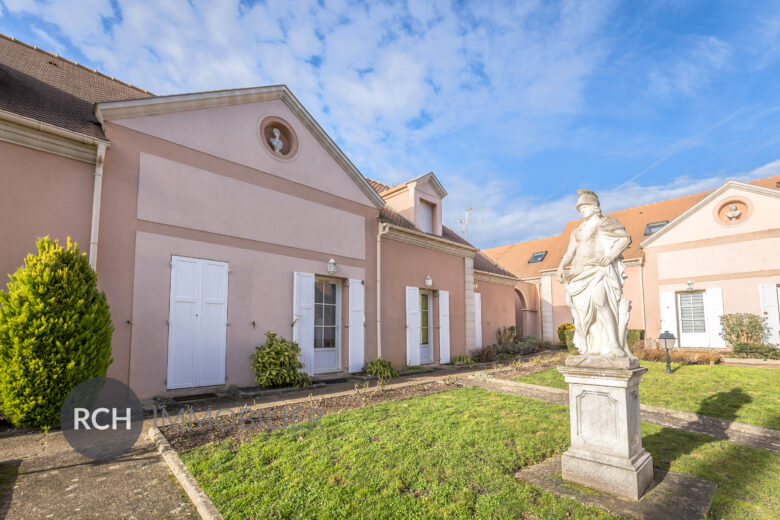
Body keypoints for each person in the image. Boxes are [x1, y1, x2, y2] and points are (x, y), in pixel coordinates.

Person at [556, 189, 632, 356]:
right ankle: (593, 346)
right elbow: (570, 253)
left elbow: (624, 239)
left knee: (600, 301)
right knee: (583, 315)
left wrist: (610, 256)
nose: (581, 210)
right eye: (580, 208)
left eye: (584, 206)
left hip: (597, 270)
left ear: (594, 206)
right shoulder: (576, 231)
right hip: (578, 274)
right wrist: (561, 266)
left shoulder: (606, 222)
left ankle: (614, 345)